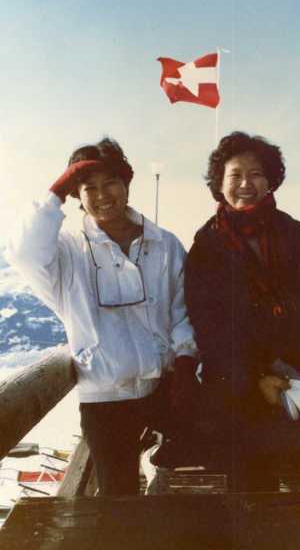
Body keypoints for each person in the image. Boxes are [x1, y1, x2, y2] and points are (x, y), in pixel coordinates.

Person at [6, 138, 198, 496]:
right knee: (117, 497)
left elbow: (182, 309)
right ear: (76, 195)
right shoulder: (66, 250)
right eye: (88, 187)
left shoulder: (164, 243)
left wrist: (185, 362)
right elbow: (22, 253)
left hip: (164, 389)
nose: (101, 195)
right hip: (103, 401)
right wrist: (56, 191)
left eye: (110, 182)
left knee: (177, 490)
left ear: (127, 184)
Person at [181, 131, 300, 492]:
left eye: (256, 174)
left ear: (271, 180)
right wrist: (258, 376)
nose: (246, 184)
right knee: (254, 494)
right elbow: (209, 327)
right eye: (235, 175)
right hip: (244, 392)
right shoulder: (206, 248)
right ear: (219, 184)